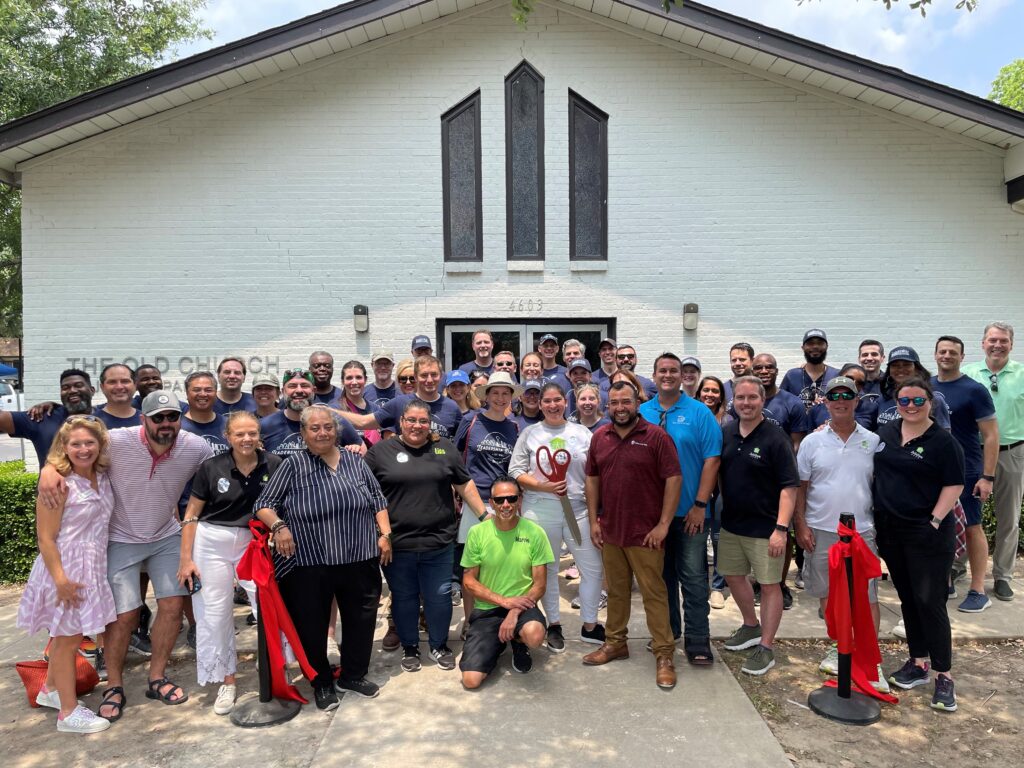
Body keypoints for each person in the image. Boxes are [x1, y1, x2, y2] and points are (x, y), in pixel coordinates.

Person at [38, 390, 215, 722]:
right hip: (120, 538)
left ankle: (157, 677)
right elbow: (76, 447)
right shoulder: (116, 441)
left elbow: (222, 470)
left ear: (180, 419)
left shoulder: (196, 447)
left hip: (165, 534)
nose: (166, 423)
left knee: (172, 606)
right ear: (143, 419)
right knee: (124, 615)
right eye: (158, 417)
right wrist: (49, 468)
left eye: (172, 416)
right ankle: (114, 685)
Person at [254, 405, 391, 710]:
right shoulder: (292, 465)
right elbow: (264, 504)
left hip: (359, 555)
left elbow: (378, 499)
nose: (322, 433)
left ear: (336, 430)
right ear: (303, 433)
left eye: (328, 427)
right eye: (314, 428)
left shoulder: (355, 461)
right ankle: (321, 681)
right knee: (311, 624)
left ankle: (353, 675)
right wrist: (279, 526)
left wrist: (385, 534)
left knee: (361, 619)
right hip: (310, 561)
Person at [365, 399, 488, 673]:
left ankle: (438, 645)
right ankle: (410, 647)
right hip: (398, 546)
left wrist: (484, 517)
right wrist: (379, 532)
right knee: (404, 598)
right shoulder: (381, 452)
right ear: (401, 422)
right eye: (411, 420)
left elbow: (464, 484)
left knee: (440, 597)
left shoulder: (444, 448)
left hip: (439, 543)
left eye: (423, 421)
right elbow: (365, 491)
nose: (417, 426)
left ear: (429, 424)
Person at [176, 411, 283, 715]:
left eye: (252, 433)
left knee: (266, 606)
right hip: (212, 540)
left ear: (259, 435)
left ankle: (273, 670)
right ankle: (227, 680)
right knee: (215, 611)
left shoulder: (274, 464)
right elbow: (191, 515)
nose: (247, 439)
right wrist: (186, 558)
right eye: (239, 434)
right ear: (228, 437)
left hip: (254, 540)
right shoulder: (211, 467)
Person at [17, 416, 116, 733]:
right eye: (76, 444)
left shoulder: (101, 476)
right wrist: (60, 580)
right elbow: (45, 538)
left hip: (92, 566)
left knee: (69, 635)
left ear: (100, 444)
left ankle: (51, 691)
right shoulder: (59, 483)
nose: (83, 449)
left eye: (89, 442)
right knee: (67, 640)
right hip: (65, 568)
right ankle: (68, 714)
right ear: (64, 446)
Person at [583, 381, 682, 689]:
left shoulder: (656, 436)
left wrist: (663, 525)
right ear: (607, 406)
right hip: (612, 531)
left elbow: (674, 479)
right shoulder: (600, 437)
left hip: (646, 533)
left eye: (625, 401)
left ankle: (664, 654)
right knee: (616, 592)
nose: (620, 408)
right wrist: (594, 521)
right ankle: (615, 643)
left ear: (637, 403)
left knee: (654, 594)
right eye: (614, 403)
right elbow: (592, 478)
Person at [874, 378, 964, 712]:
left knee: (930, 601)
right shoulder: (886, 433)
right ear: (896, 404)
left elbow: (954, 484)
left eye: (917, 400)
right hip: (891, 531)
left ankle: (944, 675)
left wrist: (935, 520)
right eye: (904, 401)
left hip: (927, 532)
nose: (910, 406)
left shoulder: (943, 441)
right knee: (909, 599)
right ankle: (918, 662)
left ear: (930, 402)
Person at [794, 376, 889, 692]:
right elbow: (800, 487)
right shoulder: (812, 442)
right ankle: (840, 646)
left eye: (847, 395)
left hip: (861, 532)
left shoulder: (872, 441)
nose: (840, 401)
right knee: (828, 597)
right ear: (825, 401)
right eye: (833, 396)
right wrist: (800, 525)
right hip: (821, 530)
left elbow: (880, 486)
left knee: (867, 597)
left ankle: (869, 658)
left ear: (856, 400)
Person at [508, 382, 605, 651]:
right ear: (540, 405)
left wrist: (596, 513)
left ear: (565, 402)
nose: (553, 405)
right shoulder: (530, 433)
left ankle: (590, 625)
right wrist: (543, 486)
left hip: (577, 510)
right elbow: (516, 470)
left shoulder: (582, 433)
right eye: (547, 401)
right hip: (541, 509)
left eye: (557, 400)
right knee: (547, 570)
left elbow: (594, 473)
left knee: (592, 568)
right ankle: (554, 625)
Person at [639, 354, 722, 665]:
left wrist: (700, 504)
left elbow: (712, 459)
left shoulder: (700, 413)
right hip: (653, 516)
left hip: (690, 513)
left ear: (683, 376)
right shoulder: (642, 413)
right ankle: (669, 631)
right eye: (663, 370)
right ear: (654, 375)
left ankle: (698, 638)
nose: (668, 375)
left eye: (674, 370)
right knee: (662, 580)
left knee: (694, 579)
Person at [719, 376, 800, 676]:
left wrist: (781, 528)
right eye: (740, 397)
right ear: (734, 401)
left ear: (763, 400)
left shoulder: (776, 438)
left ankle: (766, 646)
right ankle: (751, 626)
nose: (746, 403)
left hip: (767, 529)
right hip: (732, 525)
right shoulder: (727, 433)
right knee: (732, 576)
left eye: (752, 397)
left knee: (769, 585)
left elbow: (789, 487)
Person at [459, 476, 553, 686]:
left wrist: (513, 611)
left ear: (520, 500)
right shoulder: (477, 533)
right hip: (488, 608)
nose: (506, 504)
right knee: (471, 681)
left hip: (522, 605)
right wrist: (504, 602)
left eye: (511, 498)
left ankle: (518, 641)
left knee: (535, 635)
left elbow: (540, 585)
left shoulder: (535, 532)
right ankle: (498, 643)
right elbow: (469, 582)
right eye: (499, 500)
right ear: (491, 503)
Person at [933, 335, 998, 612]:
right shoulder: (927, 386)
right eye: (942, 351)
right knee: (939, 526)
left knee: (972, 527)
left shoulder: (974, 390)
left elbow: (991, 435)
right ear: (935, 355)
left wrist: (987, 476)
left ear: (962, 357)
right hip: (935, 472)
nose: (946, 356)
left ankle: (978, 590)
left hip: (967, 470)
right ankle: (945, 581)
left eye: (952, 352)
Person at [453, 373, 522, 618]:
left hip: (505, 502)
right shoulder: (471, 420)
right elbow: (455, 458)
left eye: (505, 393)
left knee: (502, 562)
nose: (500, 398)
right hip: (475, 501)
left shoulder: (514, 427)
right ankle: (471, 620)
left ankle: (497, 615)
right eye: (495, 393)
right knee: (473, 566)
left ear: (511, 397)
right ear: (487, 395)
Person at [963, 322, 1023, 603]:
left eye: (1003, 341)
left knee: (1008, 518)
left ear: (1011, 344)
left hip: (1011, 452)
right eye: (992, 340)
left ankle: (1002, 576)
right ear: (983, 343)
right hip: (973, 453)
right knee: (965, 513)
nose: (997, 345)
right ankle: (957, 566)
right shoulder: (969, 373)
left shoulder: (1021, 374)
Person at [340, 355, 463, 441]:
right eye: (424, 375)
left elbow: (460, 446)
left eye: (434, 375)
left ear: (441, 376)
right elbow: (363, 422)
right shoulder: (399, 404)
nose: (429, 380)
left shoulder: (452, 407)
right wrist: (331, 412)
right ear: (416, 376)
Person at [0, 368, 95, 464]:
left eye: (78, 385)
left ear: (92, 390)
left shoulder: (102, 416)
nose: (72, 390)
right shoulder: (40, 417)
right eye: (65, 388)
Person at [260, 369, 361, 457]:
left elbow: (360, 449)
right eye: (292, 386)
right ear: (283, 391)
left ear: (314, 391)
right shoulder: (264, 425)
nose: (299, 390)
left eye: (304, 386)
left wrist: (354, 450)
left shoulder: (333, 420)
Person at [697, 375, 730, 609]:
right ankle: (700, 584)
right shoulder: (693, 416)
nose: (710, 394)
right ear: (699, 393)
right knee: (697, 539)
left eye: (715, 391)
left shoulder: (728, 421)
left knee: (719, 539)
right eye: (706, 390)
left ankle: (718, 586)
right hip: (696, 488)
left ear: (721, 396)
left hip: (721, 490)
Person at [876, 347, 950, 430]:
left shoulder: (934, 399)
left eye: (906, 364)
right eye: (895, 365)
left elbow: (945, 435)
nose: (900, 369)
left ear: (917, 368)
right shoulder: (883, 398)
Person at [780, 329, 840, 412]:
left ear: (826, 346)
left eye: (820, 343)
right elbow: (781, 404)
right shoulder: (792, 376)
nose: (815, 347)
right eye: (810, 343)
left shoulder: (836, 375)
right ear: (803, 348)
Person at [807, 363, 879, 431]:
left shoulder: (872, 409)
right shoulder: (817, 409)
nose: (853, 383)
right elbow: (809, 435)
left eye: (860, 383)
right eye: (849, 378)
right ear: (838, 377)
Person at [179, 372, 229, 455]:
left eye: (208, 390)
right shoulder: (177, 427)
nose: (203, 394)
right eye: (196, 390)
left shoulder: (229, 425)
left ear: (216, 393)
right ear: (187, 393)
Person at [94, 364, 140, 429]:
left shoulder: (148, 421)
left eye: (125, 381)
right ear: (102, 387)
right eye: (112, 382)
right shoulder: (93, 423)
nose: (119, 387)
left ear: (135, 385)